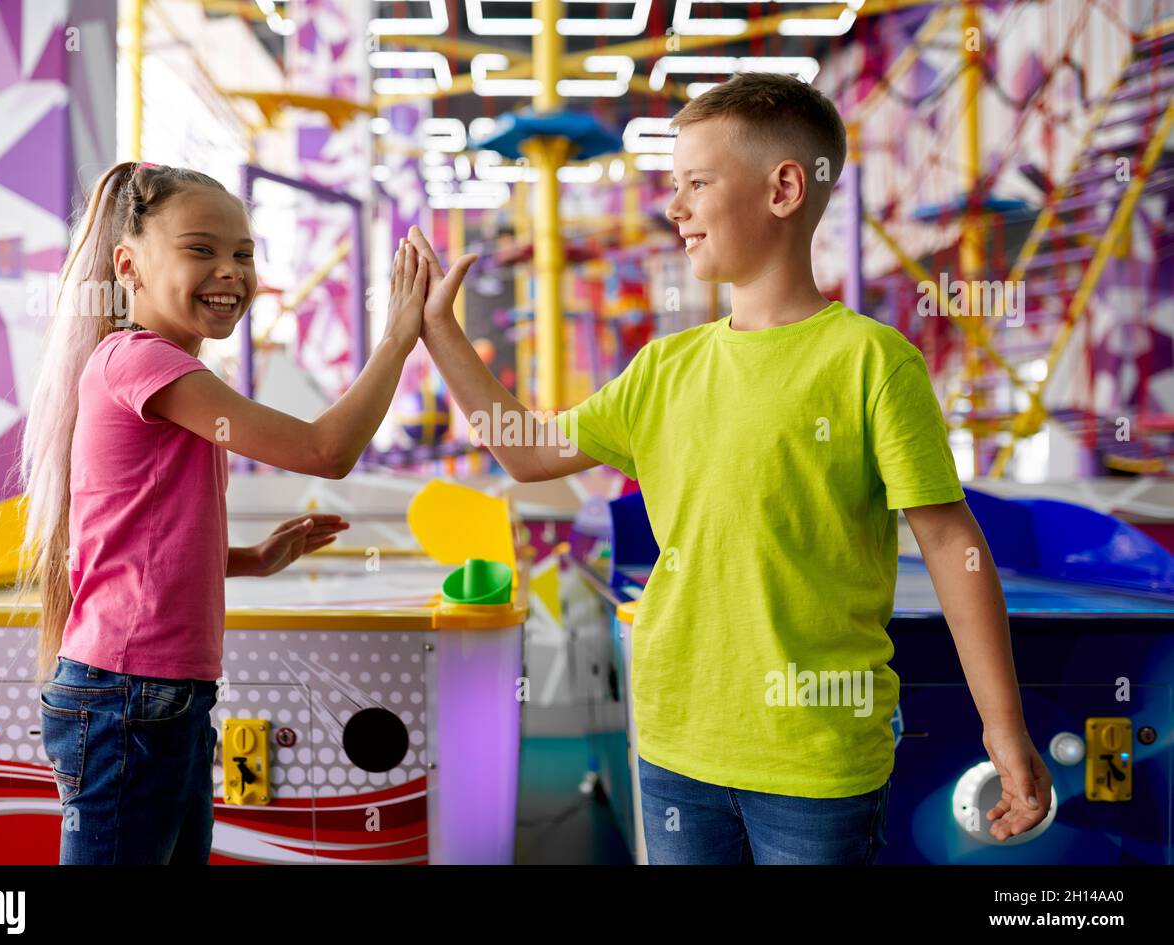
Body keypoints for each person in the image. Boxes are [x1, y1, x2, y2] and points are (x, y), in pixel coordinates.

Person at [407, 71, 1052, 864]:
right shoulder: (663, 369)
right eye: (673, 186)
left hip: (816, 760)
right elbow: (527, 449)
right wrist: (440, 333)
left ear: (784, 188)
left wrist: (1003, 725)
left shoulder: (872, 364)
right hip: (676, 746)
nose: (673, 206)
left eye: (696, 183)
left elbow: (953, 545)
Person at [18, 161, 428, 863]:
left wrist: (253, 559)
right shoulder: (142, 364)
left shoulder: (156, 369)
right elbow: (326, 451)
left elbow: (135, 545)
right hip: (130, 697)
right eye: (200, 249)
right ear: (129, 267)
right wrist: (397, 336)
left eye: (243, 253)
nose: (230, 271)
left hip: (160, 694)